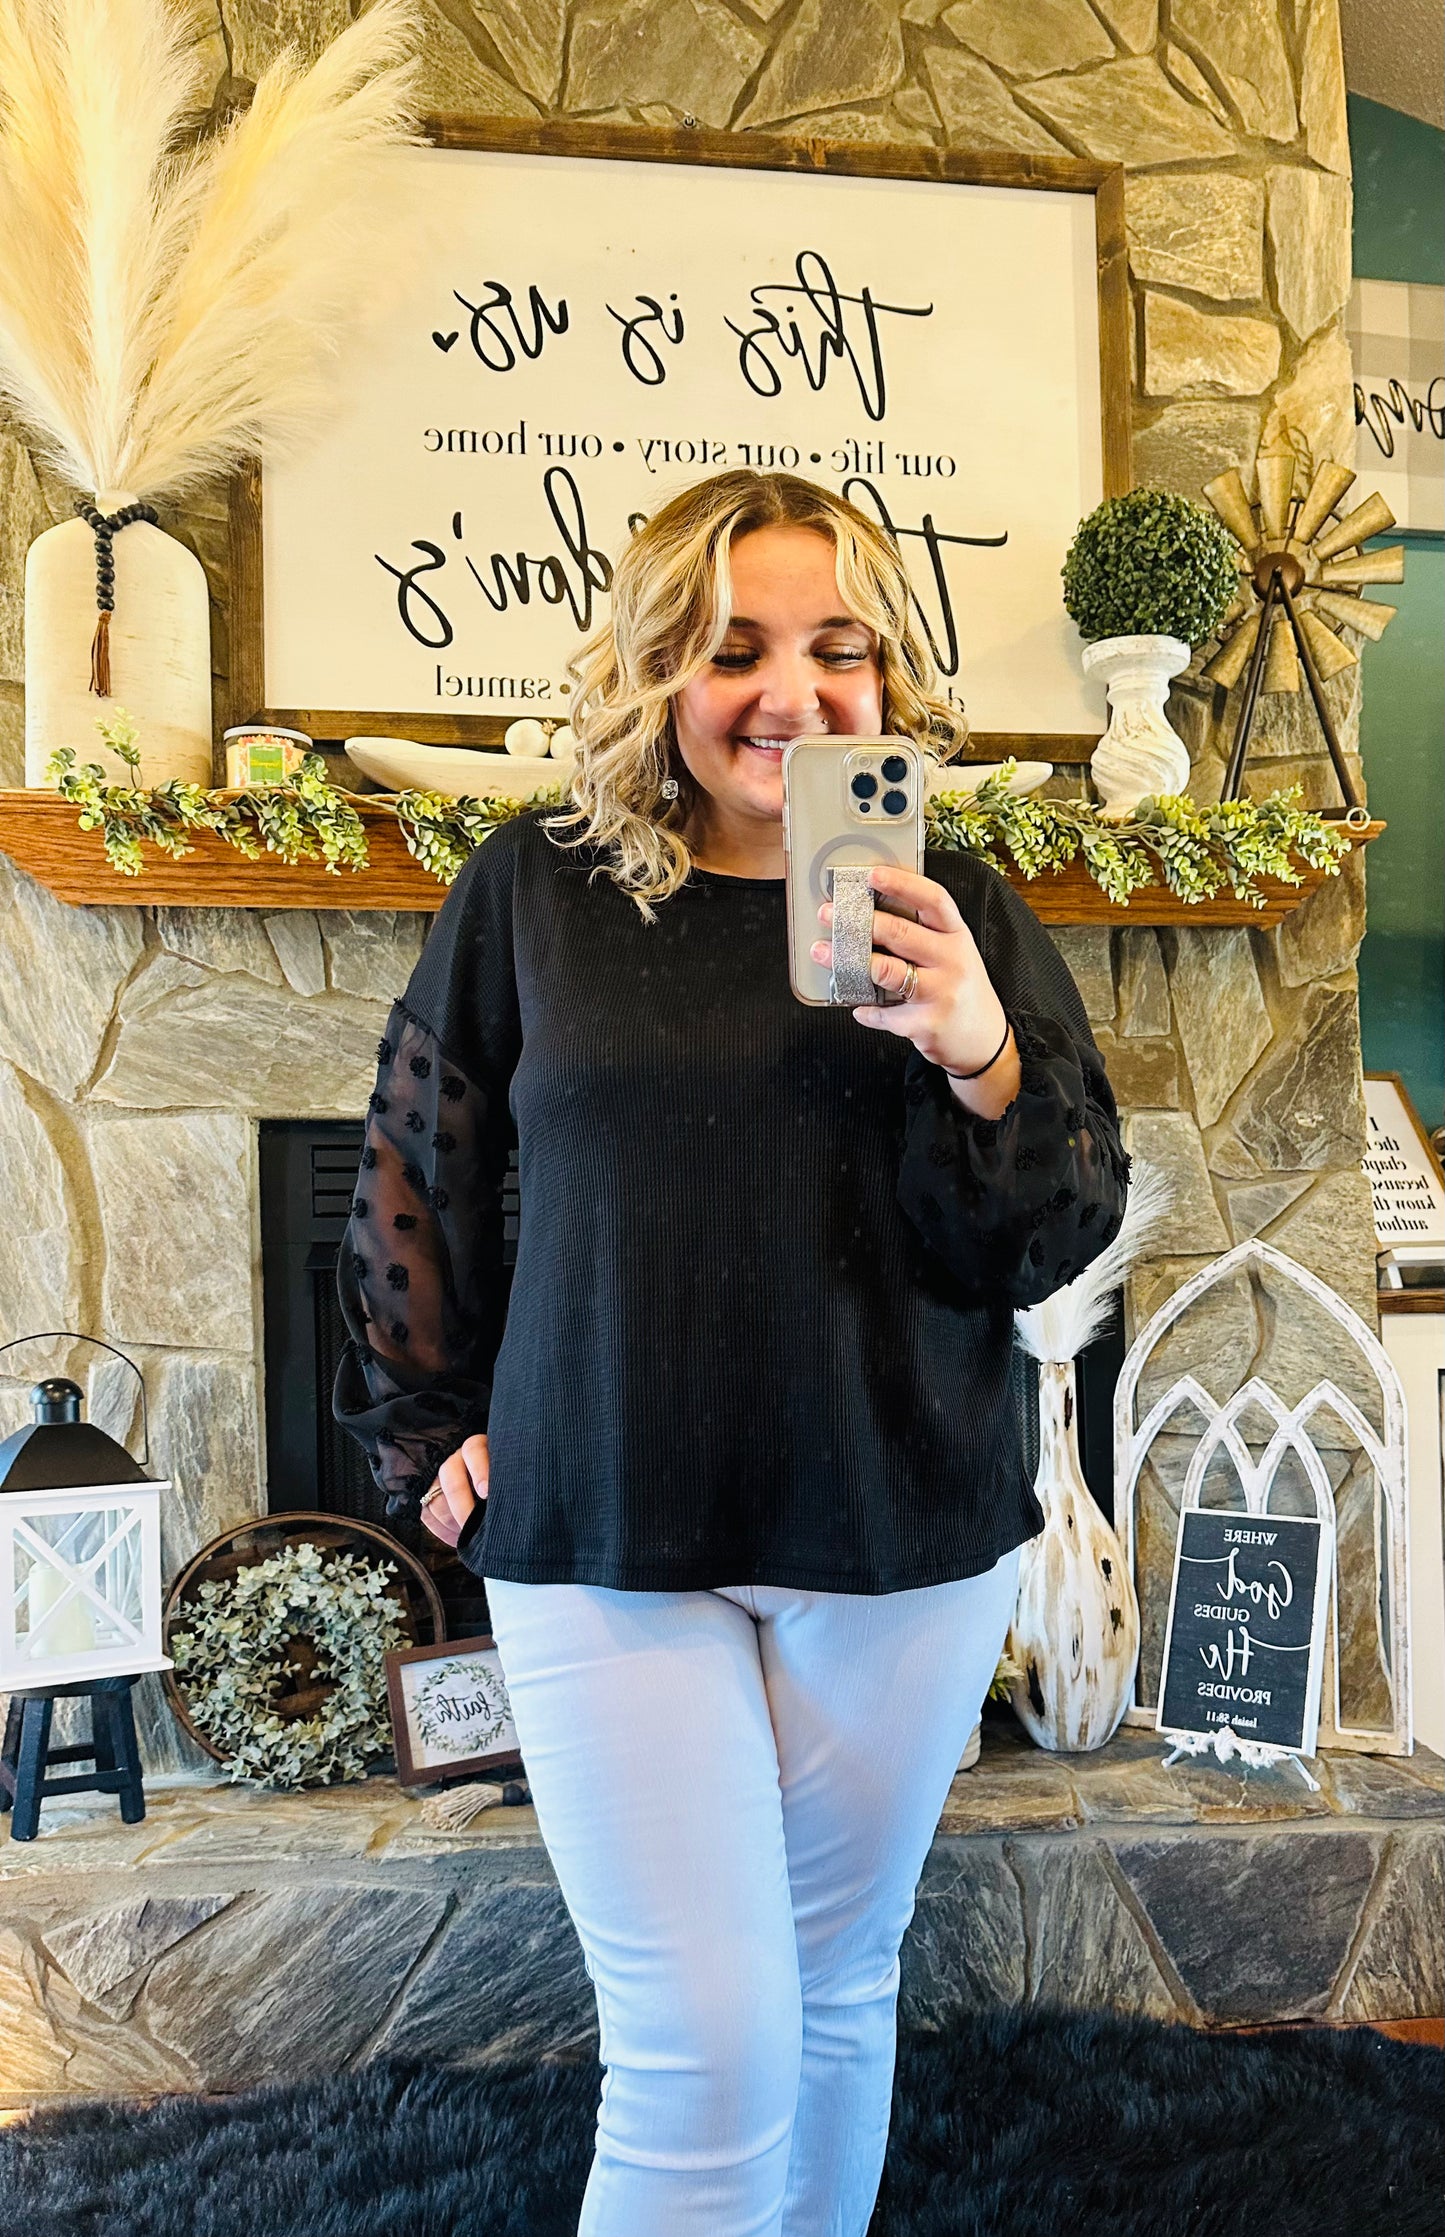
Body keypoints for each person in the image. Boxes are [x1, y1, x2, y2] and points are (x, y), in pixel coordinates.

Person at [334, 470, 1128, 2237]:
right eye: (734, 647)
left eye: (838, 648)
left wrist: (977, 1047)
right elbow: (416, 1159)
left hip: (898, 1520)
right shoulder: (531, 890)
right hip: (606, 1522)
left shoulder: (961, 906)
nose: (793, 693)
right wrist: (428, 1422)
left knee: (836, 1987)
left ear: (887, 672)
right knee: (702, 2042)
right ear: (656, 671)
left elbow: (1050, 1235)